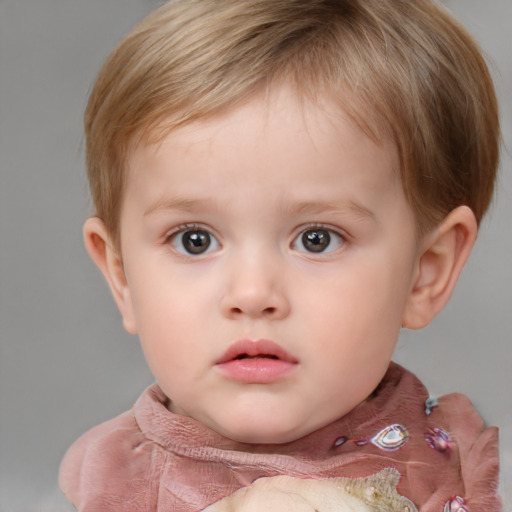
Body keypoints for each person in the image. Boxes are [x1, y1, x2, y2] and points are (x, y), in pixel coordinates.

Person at [58, 0, 501, 510]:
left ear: (427, 271)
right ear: (122, 277)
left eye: (317, 239)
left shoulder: (446, 471)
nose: (252, 294)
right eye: (194, 240)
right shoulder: (113, 485)